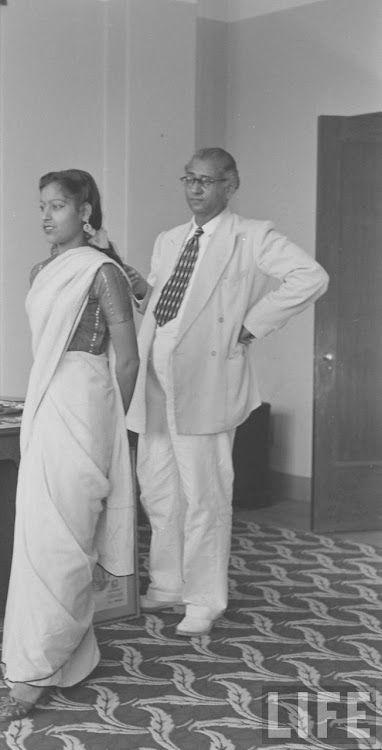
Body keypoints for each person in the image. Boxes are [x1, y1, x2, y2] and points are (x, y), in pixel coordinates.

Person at [125, 148, 329, 637]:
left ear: (230, 186)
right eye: (189, 179)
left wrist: (251, 325)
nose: (195, 190)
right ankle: (169, 582)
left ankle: (204, 599)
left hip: (208, 381)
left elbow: (311, 277)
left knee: (204, 495)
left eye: (206, 181)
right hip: (156, 380)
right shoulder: (171, 239)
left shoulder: (251, 236)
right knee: (157, 488)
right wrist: (137, 290)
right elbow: (160, 303)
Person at [0, 170, 139, 720]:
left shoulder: (104, 272)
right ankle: (59, 657)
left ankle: (37, 669)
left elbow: (126, 357)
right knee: (41, 537)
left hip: (88, 405)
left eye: (58, 206)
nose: (46, 216)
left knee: (72, 535)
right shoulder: (42, 272)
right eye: (42, 206)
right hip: (47, 402)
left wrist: (112, 420)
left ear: (85, 212)